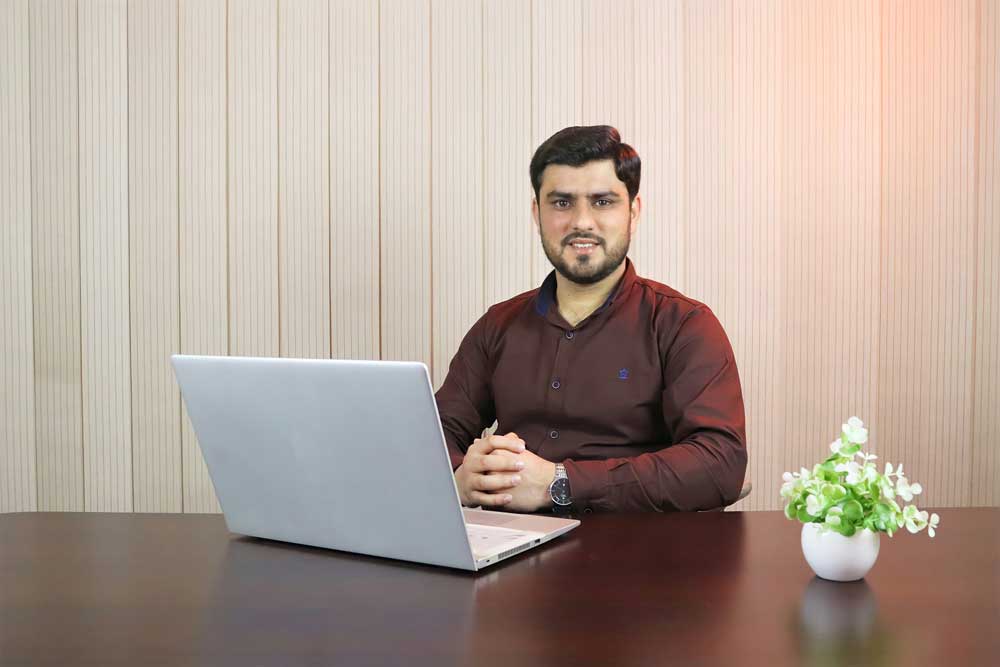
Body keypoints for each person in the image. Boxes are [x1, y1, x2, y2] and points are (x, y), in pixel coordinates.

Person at [435, 125, 747, 513]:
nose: (582, 222)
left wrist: (559, 483)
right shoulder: (498, 325)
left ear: (633, 212)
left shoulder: (684, 325)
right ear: (537, 213)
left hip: (640, 546)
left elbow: (719, 463)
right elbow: (438, 431)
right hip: (511, 543)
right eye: (562, 202)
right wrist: (458, 476)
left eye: (602, 202)